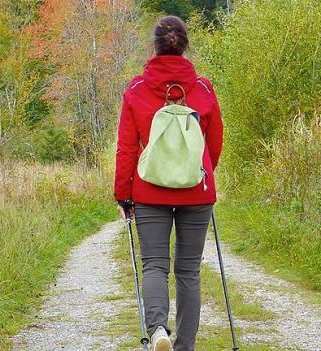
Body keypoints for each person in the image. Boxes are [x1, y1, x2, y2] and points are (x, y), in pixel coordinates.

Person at [113, 15, 224, 351]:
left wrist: (123, 195)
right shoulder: (203, 89)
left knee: (155, 265)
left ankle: (158, 329)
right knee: (188, 272)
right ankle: (184, 346)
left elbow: (127, 147)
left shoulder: (136, 89)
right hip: (197, 191)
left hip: (149, 191)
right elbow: (215, 141)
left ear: (155, 46)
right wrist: (202, 172)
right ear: (186, 46)